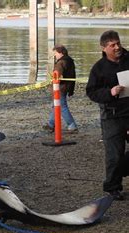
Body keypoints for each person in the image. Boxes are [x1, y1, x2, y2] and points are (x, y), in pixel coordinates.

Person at [86, 30, 129, 201]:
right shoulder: (99, 68)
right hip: (112, 116)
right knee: (115, 154)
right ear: (104, 48)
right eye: (113, 45)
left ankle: (124, 169)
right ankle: (112, 187)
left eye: (118, 43)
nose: (117, 47)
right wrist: (110, 92)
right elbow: (91, 92)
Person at [43, 45, 78, 133]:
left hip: (60, 88)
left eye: (56, 53)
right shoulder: (69, 60)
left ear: (60, 52)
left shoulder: (61, 62)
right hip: (66, 86)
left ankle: (72, 125)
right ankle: (51, 124)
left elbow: (56, 76)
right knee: (56, 106)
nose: (55, 55)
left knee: (62, 106)